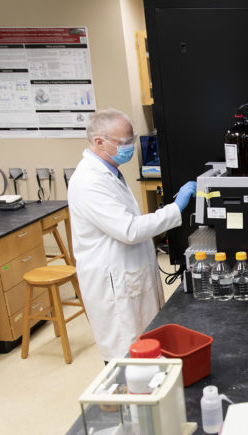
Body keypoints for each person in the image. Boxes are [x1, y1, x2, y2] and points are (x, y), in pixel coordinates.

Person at [68, 108, 197, 360]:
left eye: (132, 139)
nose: (129, 147)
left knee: (146, 345)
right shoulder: (89, 181)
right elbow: (129, 229)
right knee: (125, 355)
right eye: (125, 142)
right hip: (114, 283)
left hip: (129, 271)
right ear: (99, 142)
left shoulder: (109, 172)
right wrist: (175, 208)